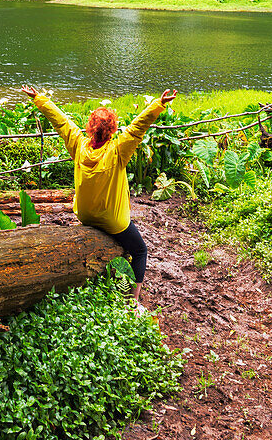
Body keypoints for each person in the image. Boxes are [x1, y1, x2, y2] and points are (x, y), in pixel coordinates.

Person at [20, 84, 176, 303]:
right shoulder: (118, 149)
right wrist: (158, 104)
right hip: (112, 220)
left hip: (84, 215)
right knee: (140, 250)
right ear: (112, 130)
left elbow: (61, 121)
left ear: (89, 128)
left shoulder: (78, 144)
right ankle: (132, 302)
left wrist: (39, 99)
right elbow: (138, 126)